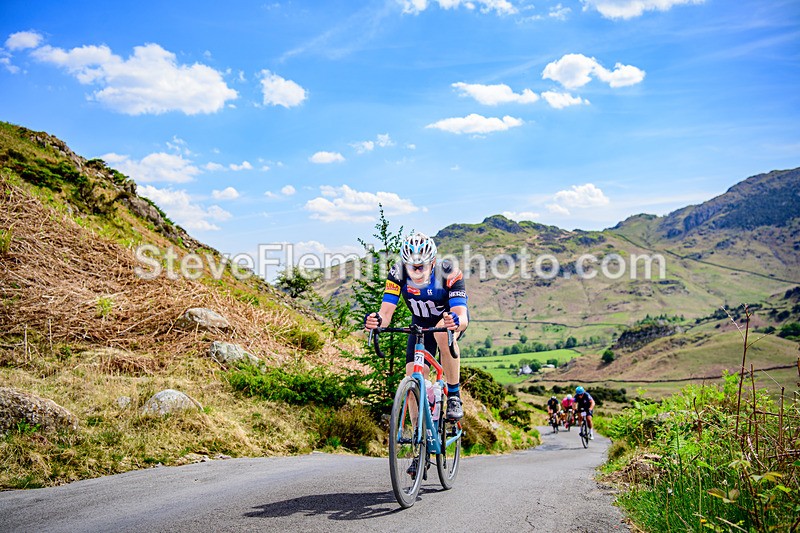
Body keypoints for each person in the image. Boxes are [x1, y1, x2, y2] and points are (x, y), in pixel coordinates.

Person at [364, 232, 469, 421]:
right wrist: (376, 320)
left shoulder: (449, 273)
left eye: (421, 267)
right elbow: (385, 314)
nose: (416, 271)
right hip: (420, 323)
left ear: (433, 262)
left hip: (447, 321)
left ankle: (454, 395)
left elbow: (462, 316)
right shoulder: (398, 273)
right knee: (414, 379)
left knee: (443, 334)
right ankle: (417, 434)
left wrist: (455, 322)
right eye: (411, 266)